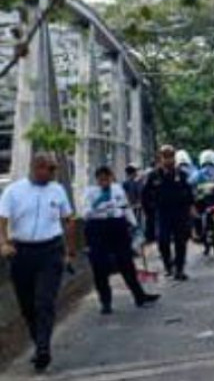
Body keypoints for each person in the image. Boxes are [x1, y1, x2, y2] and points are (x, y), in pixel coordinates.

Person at [0, 153, 77, 372]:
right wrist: (3, 243)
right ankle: (39, 342)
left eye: (54, 169)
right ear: (36, 168)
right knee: (27, 306)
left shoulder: (58, 190)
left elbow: (69, 220)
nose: (53, 173)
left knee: (45, 301)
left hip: (50, 250)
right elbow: (2, 220)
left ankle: (43, 348)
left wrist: (70, 251)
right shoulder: (14, 191)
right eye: (50, 169)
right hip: (21, 251)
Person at [83, 166, 160, 314]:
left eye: (107, 178)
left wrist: (135, 226)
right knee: (99, 267)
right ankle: (106, 302)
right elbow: (85, 213)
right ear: (97, 179)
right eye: (101, 179)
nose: (104, 182)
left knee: (126, 263)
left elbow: (126, 208)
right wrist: (98, 203)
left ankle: (140, 296)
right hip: (98, 228)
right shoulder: (90, 192)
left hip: (117, 226)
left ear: (111, 178)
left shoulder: (117, 189)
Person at [142, 145, 196, 281]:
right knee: (162, 240)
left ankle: (179, 269)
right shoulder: (153, 176)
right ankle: (168, 265)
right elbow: (145, 196)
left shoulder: (181, 175)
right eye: (165, 157)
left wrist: (191, 208)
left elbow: (189, 193)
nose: (168, 160)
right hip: (162, 213)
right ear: (160, 158)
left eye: (170, 156)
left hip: (179, 212)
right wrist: (149, 211)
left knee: (180, 241)